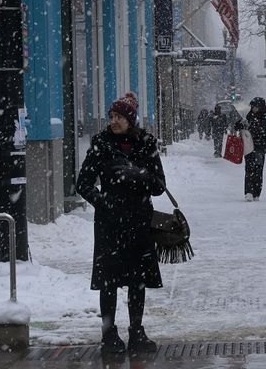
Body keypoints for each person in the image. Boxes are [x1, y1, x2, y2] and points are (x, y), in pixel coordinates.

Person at [76, 92, 165, 355]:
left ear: (130, 119)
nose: (114, 121)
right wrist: (104, 201)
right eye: (112, 116)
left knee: (137, 281)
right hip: (109, 224)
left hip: (138, 221)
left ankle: (137, 331)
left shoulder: (146, 143)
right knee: (109, 282)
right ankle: (108, 334)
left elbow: (160, 185)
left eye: (119, 117)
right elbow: (83, 184)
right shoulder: (100, 144)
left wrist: (139, 175)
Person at [236, 97, 266, 201]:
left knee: (258, 170)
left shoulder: (264, 117)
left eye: (256, 107)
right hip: (249, 146)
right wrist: (240, 125)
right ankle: (248, 192)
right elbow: (240, 127)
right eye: (253, 107)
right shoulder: (249, 116)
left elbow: (263, 130)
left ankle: (256, 192)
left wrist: (250, 127)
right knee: (249, 169)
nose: (254, 109)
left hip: (259, 147)